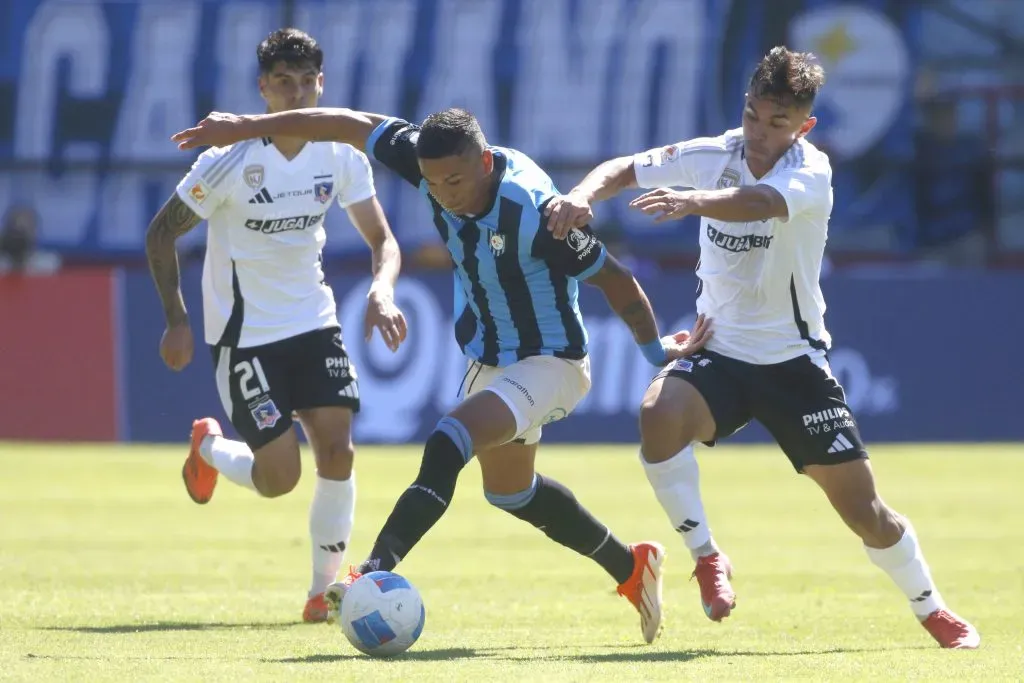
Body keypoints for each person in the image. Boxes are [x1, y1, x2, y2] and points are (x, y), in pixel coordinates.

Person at [171, 104, 712, 643]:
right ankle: (631, 566)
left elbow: (617, 281)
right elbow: (346, 125)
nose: (444, 193)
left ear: (483, 161)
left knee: (449, 438)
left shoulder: (538, 213)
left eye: (454, 180)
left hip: (554, 362)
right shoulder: (428, 162)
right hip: (491, 359)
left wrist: (652, 351)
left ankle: (369, 571)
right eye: (433, 183)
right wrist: (248, 128)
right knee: (510, 492)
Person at [543, 46, 980, 649]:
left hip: (793, 362)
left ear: (804, 125)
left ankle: (932, 608)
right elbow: (623, 168)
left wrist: (691, 200)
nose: (759, 132)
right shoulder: (714, 154)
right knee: (657, 415)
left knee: (865, 512)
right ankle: (706, 556)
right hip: (718, 351)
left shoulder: (811, 170)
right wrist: (582, 196)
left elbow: (762, 204)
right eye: (753, 114)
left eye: (778, 122)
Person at [145, 28, 407, 624]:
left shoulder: (341, 154)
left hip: (313, 321)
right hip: (244, 336)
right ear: (263, 88)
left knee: (338, 449)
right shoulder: (228, 160)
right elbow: (162, 234)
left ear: (322, 84)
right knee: (280, 478)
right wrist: (177, 319)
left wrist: (382, 289)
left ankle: (323, 594)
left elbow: (383, 240)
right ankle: (209, 448)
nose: (296, 93)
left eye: (307, 81)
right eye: (283, 82)